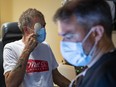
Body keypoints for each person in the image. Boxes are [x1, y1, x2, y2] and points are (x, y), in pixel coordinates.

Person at [53, 0, 116, 87]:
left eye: (69, 36)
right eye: (62, 36)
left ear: (97, 33)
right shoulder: (93, 69)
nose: (64, 43)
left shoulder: (106, 77)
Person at [3, 8, 70, 87]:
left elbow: (56, 76)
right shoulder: (10, 48)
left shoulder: (46, 47)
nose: (43, 30)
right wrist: (27, 51)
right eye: (39, 27)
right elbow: (11, 84)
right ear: (26, 30)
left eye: (44, 26)